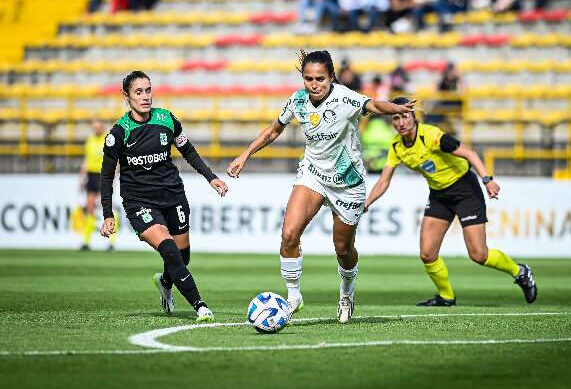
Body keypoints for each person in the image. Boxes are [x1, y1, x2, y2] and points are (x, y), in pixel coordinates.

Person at [226, 50, 415, 323]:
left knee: (343, 248)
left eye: (320, 79)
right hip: (313, 174)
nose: (314, 85)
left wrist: (396, 108)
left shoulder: (345, 97)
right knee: (289, 234)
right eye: (308, 79)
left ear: (331, 78)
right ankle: (293, 297)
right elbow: (274, 129)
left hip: (348, 182)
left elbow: (374, 105)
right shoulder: (297, 100)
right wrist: (245, 155)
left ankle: (347, 292)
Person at [364, 97, 537, 306]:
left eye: (405, 116)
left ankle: (520, 271)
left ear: (414, 117)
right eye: (396, 117)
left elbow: (470, 153)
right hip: (439, 195)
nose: (401, 122)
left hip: (465, 190)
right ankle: (446, 296)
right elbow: (384, 181)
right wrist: (366, 203)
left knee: (479, 255)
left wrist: (487, 180)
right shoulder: (396, 146)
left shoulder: (431, 136)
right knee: (427, 253)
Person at [99, 70, 228, 322]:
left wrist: (211, 177)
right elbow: (105, 176)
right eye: (138, 92)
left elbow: (188, 150)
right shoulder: (118, 134)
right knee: (169, 250)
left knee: (183, 256)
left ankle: (165, 282)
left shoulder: (167, 119)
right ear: (126, 96)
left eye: (148, 90)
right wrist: (107, 214)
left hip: (173, 196)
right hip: (140, 203)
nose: (145, 97)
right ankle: (200, 306)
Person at [78, 118, 117, 251]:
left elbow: (115, 159)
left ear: (102, 128)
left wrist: (114, 175)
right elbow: (86, 159)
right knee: (89, 207)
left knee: (106, 206)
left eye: (98, 127)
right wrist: (82, 177)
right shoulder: (90, 140)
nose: (96, 129)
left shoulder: (108, 140)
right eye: (94, 127)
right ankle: (86, 241)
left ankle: (111, 241)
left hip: (104, 175)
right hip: (91, 175)